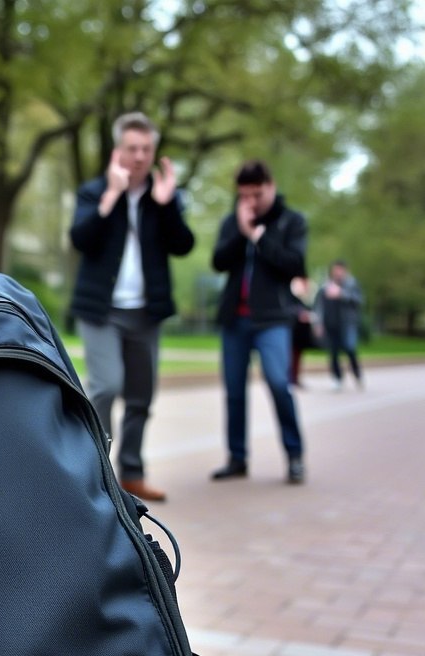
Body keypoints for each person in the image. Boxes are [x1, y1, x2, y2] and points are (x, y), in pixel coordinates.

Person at [68, 111, 195, 503]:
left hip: (146, 312)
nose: (139, 156)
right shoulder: (94, 191)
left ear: (153, 152)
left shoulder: (163, 196)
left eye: (146, 149)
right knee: (107, 386)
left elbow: (183, 245)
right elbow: (80, 239)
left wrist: (168, 205)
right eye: (132, 148)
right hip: (102, 311)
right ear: (117, 150)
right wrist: (111, 195)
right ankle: (97, 474)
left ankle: (133, 474)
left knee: (141, 397)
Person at [210, 159, 307, 485]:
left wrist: (259, 237)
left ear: (271, 187)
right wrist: (242, 233)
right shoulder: (232, 221)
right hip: (235, 320)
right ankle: (237, 458)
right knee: (234, 392)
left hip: (273, 319)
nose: (250, 202)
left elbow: (294, 265)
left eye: (257, 194)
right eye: (244, 195)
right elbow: (218, 262)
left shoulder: (291, 221)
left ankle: (294, 455)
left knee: (279, 383)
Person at [314, 260, 364, 390]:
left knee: (350, 348)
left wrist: (341, 294)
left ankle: (357, 374)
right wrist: (318, 324)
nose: (338, 272)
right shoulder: (325, 287)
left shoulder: (352, 284)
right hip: (331, 324)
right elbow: (319, 307)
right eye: (335, 270)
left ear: (345, 270)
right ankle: (337, 378)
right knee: (333, 353)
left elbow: (359, 300)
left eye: (340, 270)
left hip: (347, 324)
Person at [288, 277, 316, 388]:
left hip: (300, 334)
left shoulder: (303, 299)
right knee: (291, 356)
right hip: (293, 332)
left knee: (297, 357)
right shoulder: (290, 297)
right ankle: (291, 378)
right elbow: (290, 310)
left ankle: (294, 378)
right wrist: (300, 315)